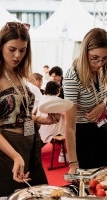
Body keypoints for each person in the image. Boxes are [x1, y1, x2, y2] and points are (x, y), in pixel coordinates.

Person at [0, 22, 61, 200]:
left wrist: (43, 120)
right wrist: (15, 156)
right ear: (1, 46)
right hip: (7, 151)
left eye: (23, 50)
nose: (17, 55)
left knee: (43, 195)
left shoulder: (19, 73)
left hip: (31, 147)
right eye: (12, 49)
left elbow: (20, 114)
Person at [63, 28, 107, 174]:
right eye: (94, 58)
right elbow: (69, 125)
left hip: (102, 128)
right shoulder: (72, 76)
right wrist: (73, 163)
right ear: (84, 52)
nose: (99, 63)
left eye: (104, 58)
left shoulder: (102, 68)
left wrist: (103, 105)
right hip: (83, 135)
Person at [37, 81, 67, 162]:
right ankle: (63, 154)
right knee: (71, 128)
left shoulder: (42, 98)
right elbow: (69, 113)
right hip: (54, 131)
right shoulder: (58, 100)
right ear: (58, 90)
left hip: (41, 129)